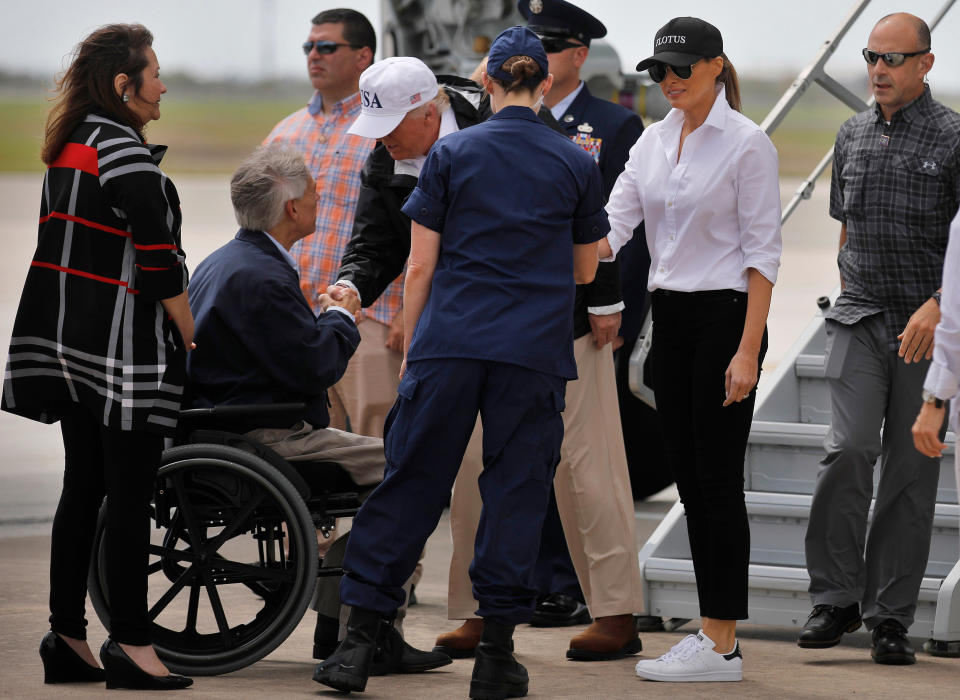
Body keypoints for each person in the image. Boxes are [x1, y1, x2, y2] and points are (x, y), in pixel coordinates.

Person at [313, 26, 605, 698]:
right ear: (546, 84)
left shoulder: (452, 155)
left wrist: (416, 346)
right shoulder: (576, 162)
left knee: (410, 484)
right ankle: (497, 654)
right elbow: (588, 265)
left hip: (450, 344)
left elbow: (419, 264)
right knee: (514, 496)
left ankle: (357, 646)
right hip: (531, 353)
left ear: (487, 83)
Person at [186, 144, 450, 676]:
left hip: (226, 425)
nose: (319, 199)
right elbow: (315, 367)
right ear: (291, 210)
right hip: (267, 435)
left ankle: (340, 617)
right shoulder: (262, 277)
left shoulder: (224, 262)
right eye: (311, 194)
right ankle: (369, 627)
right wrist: (340, 316)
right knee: (414, 471)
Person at [1, 24, 194, 690]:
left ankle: (67, 637)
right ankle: (133, 646)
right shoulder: (125, 152)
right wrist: (190, 330)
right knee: (131, 497)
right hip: (122, 356)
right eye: (155, 73)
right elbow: (159, 261)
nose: (163, 85)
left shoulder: (71, 146)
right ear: (125, 84)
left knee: (81, 489)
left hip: (70, 349)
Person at [602, 17, 782, 682]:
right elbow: (612, 226)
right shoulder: (652, 142)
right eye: (660, 70)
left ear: (714, 65)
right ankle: (714, 638)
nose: (670, 80)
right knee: (689, 482)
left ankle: (721, 640)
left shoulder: (746, 144)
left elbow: (763, 256)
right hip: (668, 318)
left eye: (682, 68)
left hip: (726, 318)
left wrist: (747, 351)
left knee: (717, 482)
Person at [799, 12, 960, 665]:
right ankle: (835, 598)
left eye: (893, 59)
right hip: (861, 318)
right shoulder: (851, 134)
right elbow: (846, 230)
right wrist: (849, 290)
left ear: (925, 62)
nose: (878, 70)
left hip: (928, 329)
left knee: (910, 473)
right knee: (847, 451)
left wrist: (941, 304)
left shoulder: (954, 138)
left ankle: (889, 616)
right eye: (871, 56)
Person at [263, 9, 398, 439]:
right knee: (310, 455)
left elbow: (418, 225)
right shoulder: (285, 132)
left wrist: (410, 311)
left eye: (326, 47)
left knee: (378, 447)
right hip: (297, 320)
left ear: (363, 57)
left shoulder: (388, 131)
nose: (313, 56)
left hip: (371, 317)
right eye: (309, 47)